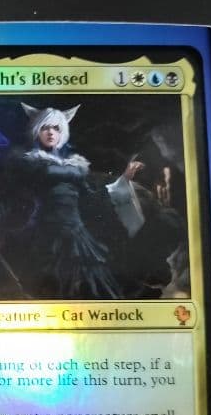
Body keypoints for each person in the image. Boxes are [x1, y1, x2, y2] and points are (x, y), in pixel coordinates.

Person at [12, 103, 145, 299]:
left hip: (76, 232)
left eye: (56, 128)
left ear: (62, 132)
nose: (50, 132)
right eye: (45, 127)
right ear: (36, 130)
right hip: (48, 232)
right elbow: (38, 179)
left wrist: (123, 179)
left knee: (92, 285)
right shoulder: (30, 161)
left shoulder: (74, 164)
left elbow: (92, 195)